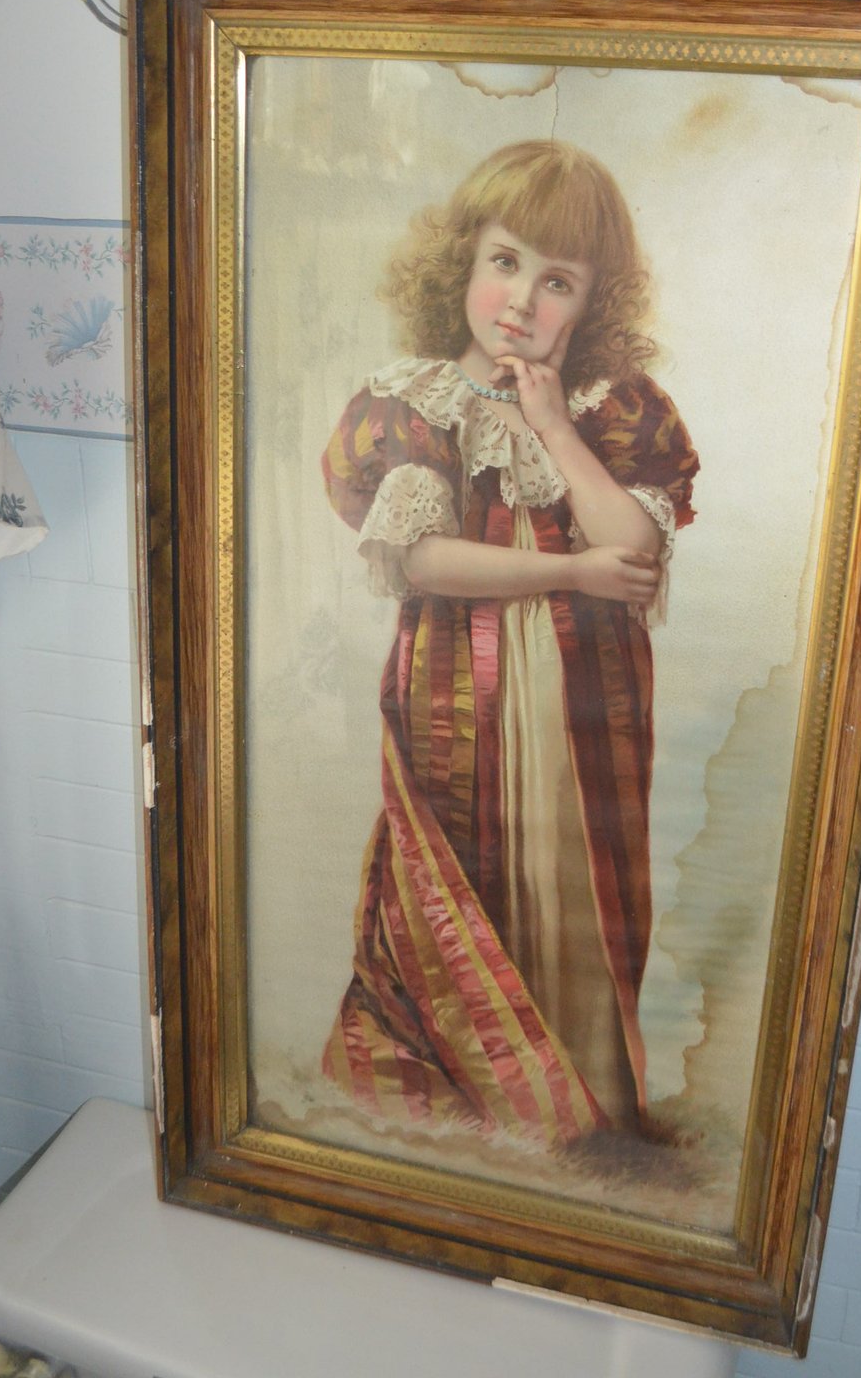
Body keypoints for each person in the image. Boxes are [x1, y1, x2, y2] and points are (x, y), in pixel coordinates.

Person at [321, 140, 698, 1146]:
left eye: (557, 280)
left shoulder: (611, 409)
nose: (522, 300)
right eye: (504, 262)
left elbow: (634, 548)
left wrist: (555, 429)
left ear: (592, 300)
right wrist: (572, 574)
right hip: (461, 689)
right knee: (462, 868)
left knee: (578, 879)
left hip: (586, 704)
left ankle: (582, 1106)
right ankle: (485, 1104)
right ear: (462, 263)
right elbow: (421, 562)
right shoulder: (411, 402)